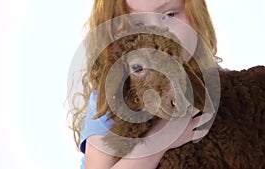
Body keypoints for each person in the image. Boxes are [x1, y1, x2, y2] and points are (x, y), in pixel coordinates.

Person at [69, 0, 220, 168]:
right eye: (138, 23)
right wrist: (161, 139)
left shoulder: (221, 84)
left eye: (169, 14)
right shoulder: (111, 101)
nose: (157, 31)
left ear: (197, 14)